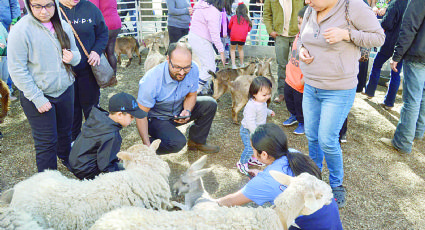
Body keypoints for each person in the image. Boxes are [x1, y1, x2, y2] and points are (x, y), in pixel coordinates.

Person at [298, 0, 385, 207]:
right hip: (311, 86)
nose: (307, 2)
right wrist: (302, 49)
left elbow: (379, 37)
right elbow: (303, 38)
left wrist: (347, 35)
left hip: (338, 90)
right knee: (312, 136)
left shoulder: (352, 6)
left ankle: (336, 184)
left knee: (327, 139)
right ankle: (314, 179)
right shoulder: (312, 9)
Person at [217, 123, 343, 229]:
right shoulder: (294, 154)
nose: (253, 154)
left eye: (253, 150)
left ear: (264, 154)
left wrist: (208, 203)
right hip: (330, 215)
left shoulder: (265, 182)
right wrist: (263, 176)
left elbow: (230, 201)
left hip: (309, 224)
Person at [7, 0, 81, 172]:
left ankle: (66, 157)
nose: (43, 11)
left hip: (65, 90)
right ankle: (48, 184)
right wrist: (37, 98)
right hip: (38, 94)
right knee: (46, 142)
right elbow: (17, 69)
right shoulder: (20, 30)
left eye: (48, 5)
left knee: (65, 133)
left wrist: (73, 58)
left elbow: (76, 54)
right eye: (37, 6)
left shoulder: (63, 25)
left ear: (55, 4)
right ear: (28, 5)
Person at [136, 42, 219, 155]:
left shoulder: (193, 68)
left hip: (177, 110)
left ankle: (196, 141)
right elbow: (141, 115)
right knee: (177, 143)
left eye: (186, 67)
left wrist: (187, 110)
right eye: (177, 67)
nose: (181, 72)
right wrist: (147, 144)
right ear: (168, 59)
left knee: (210, 104)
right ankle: (146, 150)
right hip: (157, 119)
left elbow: (191, 95)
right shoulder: (151, 79)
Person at [59, 0, 109, 141]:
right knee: (71, 110)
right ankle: (73, 142)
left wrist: (96, 51)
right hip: (65, 72)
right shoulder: (52, 9)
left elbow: (103, 33)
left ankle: (93, 141)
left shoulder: (90, 8)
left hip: (88, 69)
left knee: (91, 108)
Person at [380, 0, 425, 154]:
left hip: (418, 55)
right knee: (422, 97)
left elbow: (409, 26)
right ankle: (418, 132)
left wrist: (397, 55)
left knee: (412, 100)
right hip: (420, 54)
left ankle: (402, 142)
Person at [69, 92, 147, 180]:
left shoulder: (99, 118)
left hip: (77, 163)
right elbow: (106, 167)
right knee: (131, 171)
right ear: (120, 114)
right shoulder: (112, 135)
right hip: (87, 171)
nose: (133, 120)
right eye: (132, 116)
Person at [364, 0, 408, 110]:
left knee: (377, 65)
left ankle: (370, 91)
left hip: (390, 41)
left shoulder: (396, 3)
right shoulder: (413, 4)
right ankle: (389, 102)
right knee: (396, 73)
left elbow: (387, 23)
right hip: (404, 44)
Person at [263, 0, 305, 103]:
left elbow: (307, 10)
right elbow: (267, 14)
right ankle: (281, 92)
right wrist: (270, 30)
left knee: (300, 64)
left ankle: (300, 92)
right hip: (280, 35)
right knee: (282, 65)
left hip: (298, 34)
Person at [188, 0, 230, 95]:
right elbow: (214, 34)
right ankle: (191, 93)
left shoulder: (203, 6)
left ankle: (193, 91)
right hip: (201, 39)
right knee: (209, 68)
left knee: (204, 67)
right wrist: (222, 52)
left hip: (195, 37)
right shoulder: (213, 11)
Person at [237, 76, 274, 175]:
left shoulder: (262, 102)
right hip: (248, 130)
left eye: (269, 94)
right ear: (254, 93)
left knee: (256, 147)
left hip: (256, 130)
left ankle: (253, 158)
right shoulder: (251, 106)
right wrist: (255, 132)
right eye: (264, 95)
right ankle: (242, 163)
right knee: (249, 148)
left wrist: (269, 112)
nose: (267, 97)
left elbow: (263, 110)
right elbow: (250, 122)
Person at [282, 6, 306, 135]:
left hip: (300, 82)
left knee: (300, 104)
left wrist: (303, 80)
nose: (300, 26)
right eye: (299, 23)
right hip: (290, 78)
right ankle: (293, 116)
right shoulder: (298, 36)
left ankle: (302, 122)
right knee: (289, 100)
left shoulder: (311, 41)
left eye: (303, 23)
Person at [88, 0, 122, 75]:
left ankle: (104, 77)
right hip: (115, 22)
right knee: (111, 53)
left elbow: (93, 8)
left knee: (100, 53)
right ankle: (113, 76)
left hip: (105, 23)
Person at [228, 3, 251, 69]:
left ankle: (233, 65)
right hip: (242, 38)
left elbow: (229, 26)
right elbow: (249, 29)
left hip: (234, 36)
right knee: (240, 50)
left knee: (232, 50)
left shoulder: (233, 17)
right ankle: (242, 64)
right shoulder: (247, 19)